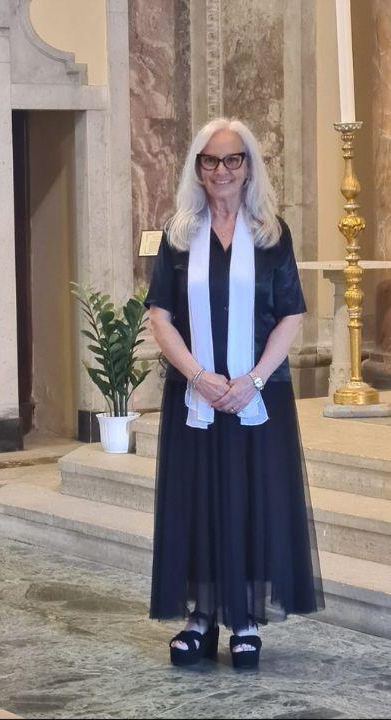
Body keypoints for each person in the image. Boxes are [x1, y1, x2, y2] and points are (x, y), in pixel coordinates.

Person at [146, 117, 320, 670]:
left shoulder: (271, 233)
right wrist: (199, 376)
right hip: (195, 397)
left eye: (232, 160)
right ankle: (202, 618)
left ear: (248, 168)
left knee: (251, 500)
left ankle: (244, 617)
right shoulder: (178, 232)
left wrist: (252, 380)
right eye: (210, 160)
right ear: (197, 169)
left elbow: (291, 312)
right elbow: (160, 315)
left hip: (255, 399)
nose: (221, 171)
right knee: (197, 500)